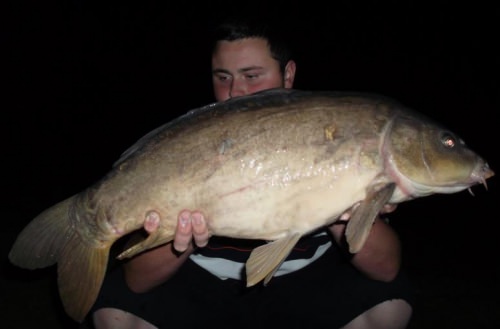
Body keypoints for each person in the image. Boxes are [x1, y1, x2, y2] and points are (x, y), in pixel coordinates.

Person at [88, 17, 415, 329]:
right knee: (115, 313)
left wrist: (338, 210)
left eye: (252, 75)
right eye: (223, 77)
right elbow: (137, 280)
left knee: (389, 307)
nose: (235, 92)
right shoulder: (187, 145)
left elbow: (386, 269)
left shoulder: (335, 132)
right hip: (205, 282)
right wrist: (181, 235)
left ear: (288, 75)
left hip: (304, 278)